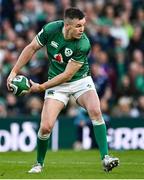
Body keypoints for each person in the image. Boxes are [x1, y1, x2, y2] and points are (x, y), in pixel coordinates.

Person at [7, 7, 119, 173]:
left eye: (84, 25)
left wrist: (41, 86)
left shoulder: (84, 43)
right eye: (78, 26)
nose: (83, 29)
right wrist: (14, 72)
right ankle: (39, 163)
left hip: (80, 80)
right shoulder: (51, 29)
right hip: (56, 84)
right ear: (67, 26)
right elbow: (31, 48)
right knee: (45, 127)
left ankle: (105, 157)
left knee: (95, 111)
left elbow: (67, 75)